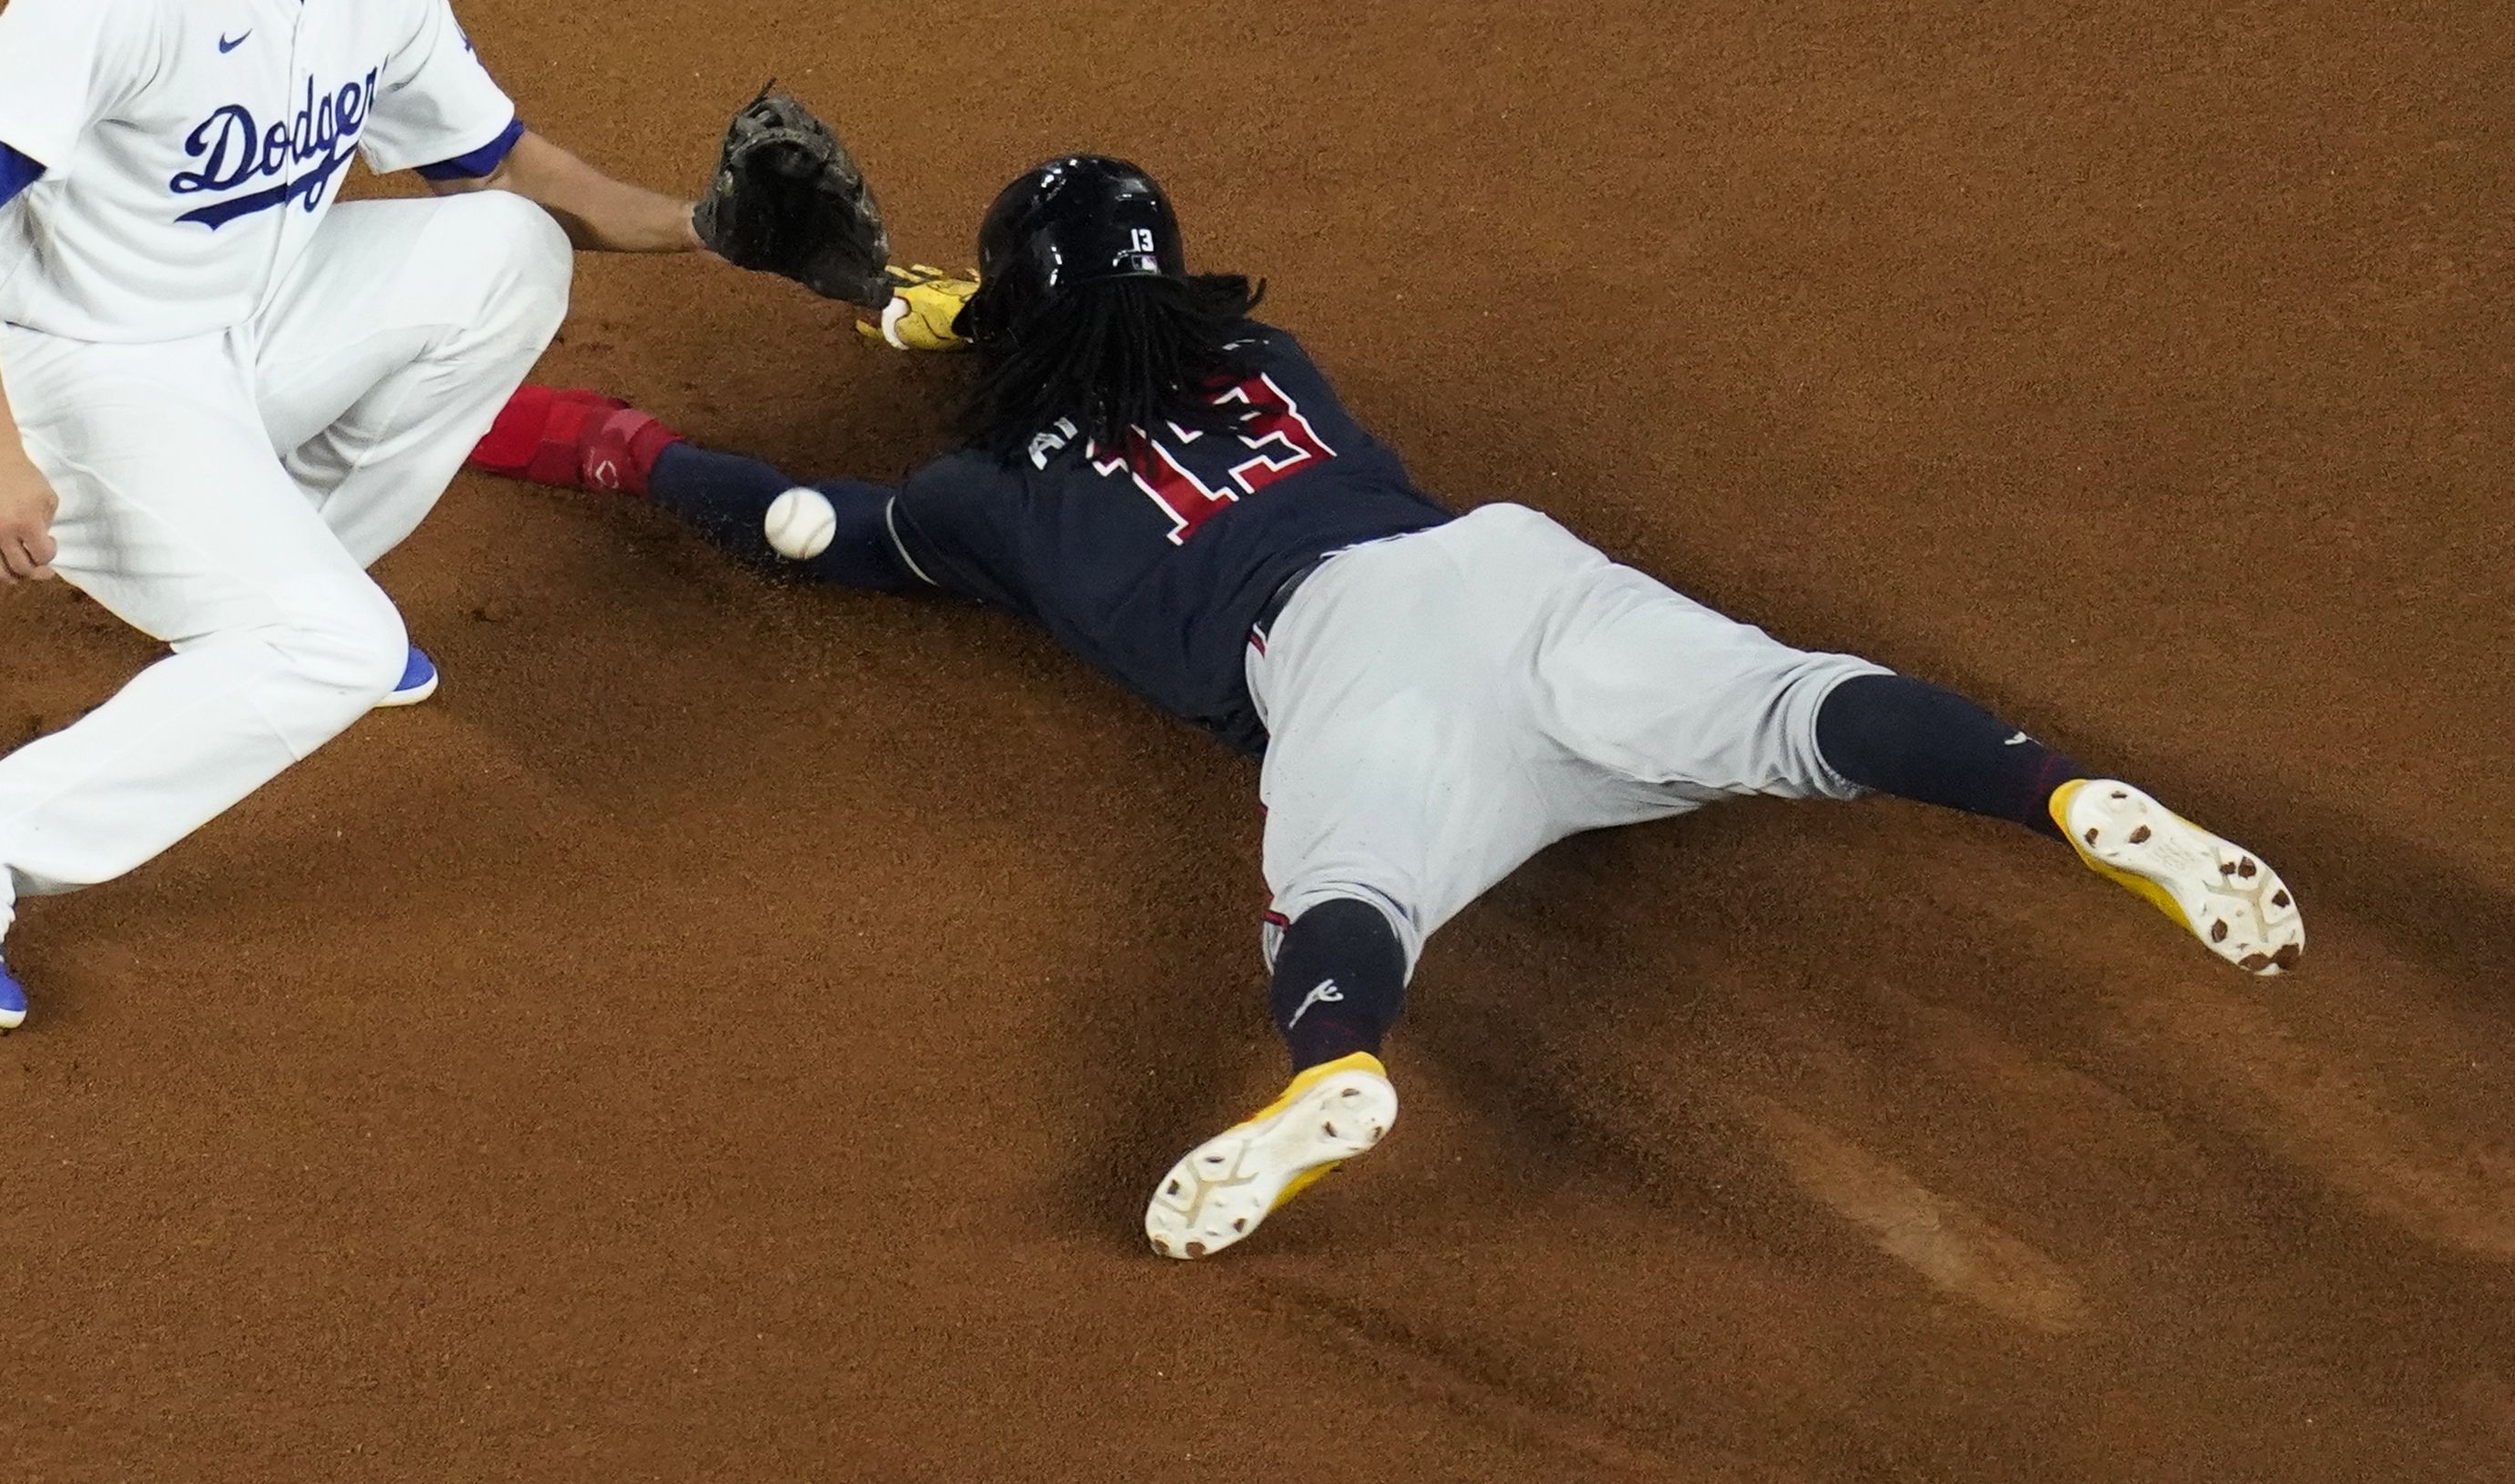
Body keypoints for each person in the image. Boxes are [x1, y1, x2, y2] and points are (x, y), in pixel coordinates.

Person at [467, 155, 2306, 1259]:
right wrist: (894, 303)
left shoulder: (979, 509)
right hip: (1511, 580)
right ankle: (2072, 805)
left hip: (1346, 671)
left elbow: (812, 522)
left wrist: (596, 444)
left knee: (1350, 881)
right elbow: (1068, 336)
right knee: (1796, 706)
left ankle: (1338, 1069)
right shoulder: (1271, 356)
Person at [0, 0, 717, 1031]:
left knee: (511, 253)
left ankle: (286, 572)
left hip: (239, 340)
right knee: (337, 649)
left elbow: (493, 164)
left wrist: (700, 226)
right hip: (80, 372)